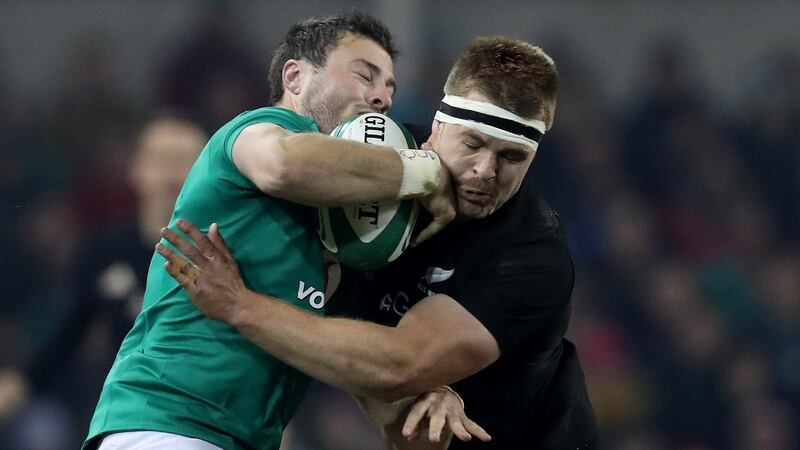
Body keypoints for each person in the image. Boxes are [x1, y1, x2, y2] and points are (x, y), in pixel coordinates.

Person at [158, 36, 599, 448]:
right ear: (437, 127)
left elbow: (399, 366)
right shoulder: (371, 154)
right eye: (473, 144)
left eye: (511, 157)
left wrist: (239, 304)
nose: (486, 170)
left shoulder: (532, 256)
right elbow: (279, 166)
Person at [84, 13, 480, 450]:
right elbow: (283, 164)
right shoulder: (254, 132)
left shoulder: (345, 238)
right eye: (365, 75)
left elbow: (383, 404)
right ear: (294, 76)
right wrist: (429, 170)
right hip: (167, 424)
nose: (382, 99)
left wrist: (427, 401)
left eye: (390, 89)